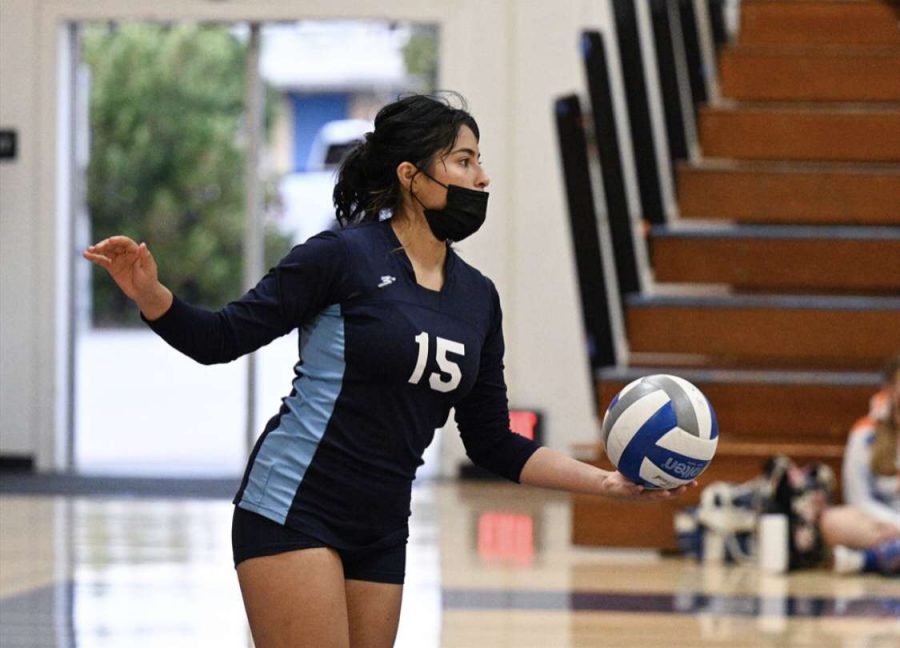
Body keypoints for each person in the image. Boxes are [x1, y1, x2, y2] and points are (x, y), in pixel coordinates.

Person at [83, 93, 690, 648]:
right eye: (463, 160)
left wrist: (606, 482)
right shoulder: (340, 257)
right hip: (294, 506)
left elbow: (493, 442)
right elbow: (221, 338)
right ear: (411, 176)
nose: (481, 176)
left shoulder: (478, 298)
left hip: (381, 527)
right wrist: (152, 296)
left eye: (480, 161)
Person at [819, 353, 900, 575]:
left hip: (890, 534)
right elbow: (858, 498)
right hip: (881, 525)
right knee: (833, 521)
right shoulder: (865, 433)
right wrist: (895, 523)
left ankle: (867, 561)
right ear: (890, 389)